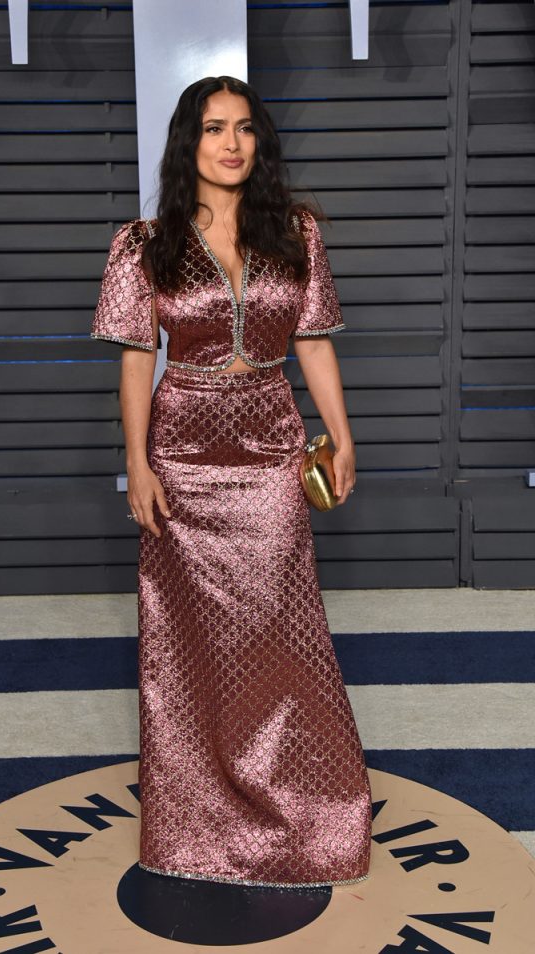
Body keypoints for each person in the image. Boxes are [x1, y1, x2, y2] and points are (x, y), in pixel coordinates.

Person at [91, 75, 372, 889]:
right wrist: (137, 463)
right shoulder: (144, 244)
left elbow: (312, 341)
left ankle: (309, 814)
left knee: (285, 634)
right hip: (183, 453)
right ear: (190, 142)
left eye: (245, 128)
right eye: (215, 128)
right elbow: (136, 362)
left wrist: (341, 435)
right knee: (188, 644)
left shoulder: (296, 232)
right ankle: (197, 827)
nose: (232, 144)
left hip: (272, 445)